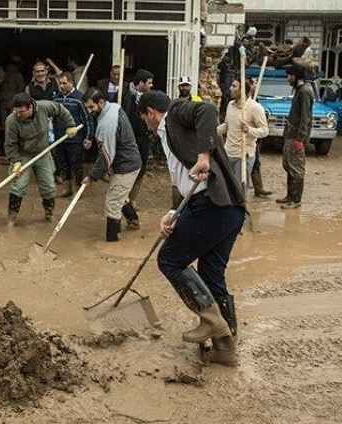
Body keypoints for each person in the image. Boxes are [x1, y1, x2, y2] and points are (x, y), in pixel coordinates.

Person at [138, 90, 245, 366]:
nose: (145, 124)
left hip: (214, 205)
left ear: (150, 113)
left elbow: (207, 109)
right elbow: (187, 184)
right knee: (211, 275)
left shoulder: (173, 115)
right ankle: (226, 349)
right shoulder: (169, 135)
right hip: (228, 209)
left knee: (170, 259)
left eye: (143, 118)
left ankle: (212, 323)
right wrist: (174, 214)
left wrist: (204, 155)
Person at [4, 93, 77, 226]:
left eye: (21, 112)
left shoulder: (44, 107)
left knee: (49, 186)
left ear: (30, 107)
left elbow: (60, 110)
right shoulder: (12, 120)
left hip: (42, 151)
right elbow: (10, 144)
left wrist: (70, 125)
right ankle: (11, 219)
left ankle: (49, 214)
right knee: (18, 186)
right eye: (16, 111)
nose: (18, 114)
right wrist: (15, 161)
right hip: (23, 154)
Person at [82, 89, 141, 242]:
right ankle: (133, 221)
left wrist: (91, 176)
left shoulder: (107, 123)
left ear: (101, 102)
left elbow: (106, 156)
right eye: (87, 108)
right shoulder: (114, 107)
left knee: (113, 201)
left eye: (91, 107)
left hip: (126, 165)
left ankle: (112, 239)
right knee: (119, 193)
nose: (89, 112)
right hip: (127, 160)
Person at [217, 78, 268, 190]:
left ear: (243, 90)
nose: (230, 88)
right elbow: (226, 126)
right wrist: (212, 132)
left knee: (239, 190)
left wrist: (249, 129)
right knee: (227, 188)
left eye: (234, 86)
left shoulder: (255, 108)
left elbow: (265, 131)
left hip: (244, 155)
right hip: (229, 152)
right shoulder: (230, 105)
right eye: (231, 85)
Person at [276, 63, 313, 209]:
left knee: (296, 168)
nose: (287, 78)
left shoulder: (304, 91)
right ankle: (290, 196)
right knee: (288, 165)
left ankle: (296, 200)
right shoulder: (299, 90)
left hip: (296, 137)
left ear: (296, 76)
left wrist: (300, 139)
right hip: (291, 134)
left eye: (289, 75)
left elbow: (306, 118)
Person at [53, 72, 94, 197]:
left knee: (76, 165)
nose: (62, 86)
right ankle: (67, 189)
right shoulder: (56, 98)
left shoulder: (79, 98)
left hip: (76, 139)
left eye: (64, 83)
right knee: (63, 165)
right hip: (60, 138)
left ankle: (77, 190)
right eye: (60, 83)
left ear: (71, 83)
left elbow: (88, 119)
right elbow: (53, 118)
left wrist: (89, 137)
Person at [123, 69, 154, 216]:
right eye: (148, 83)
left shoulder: (147, 97)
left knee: (142, 169)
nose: (151, 85)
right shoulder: (128, 96)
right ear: (140, 83)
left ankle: (132, 198)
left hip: (144, 138)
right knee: (132, 169)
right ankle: (126, 199)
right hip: (131, 140)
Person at [0, 58, 26, 128]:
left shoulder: (17, 75)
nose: (9, 67)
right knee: (5, 122)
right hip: (4, 101)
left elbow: (21, 89)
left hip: (12, 101)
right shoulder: (3, 74)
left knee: (13, 121)